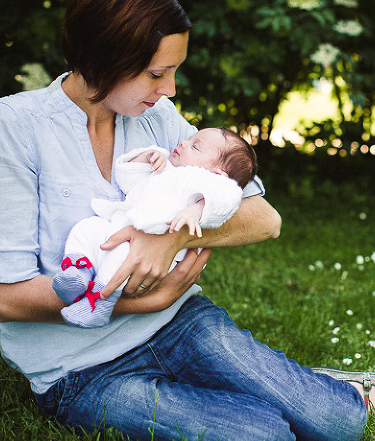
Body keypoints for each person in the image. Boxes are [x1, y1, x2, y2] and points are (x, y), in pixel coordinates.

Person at [0, 0, 375, 441]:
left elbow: (264, 217)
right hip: (83, 371)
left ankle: (312, 388)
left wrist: (169, 240)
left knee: (340, 425)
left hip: (178, 323)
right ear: (103, 55)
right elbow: (6, 297)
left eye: (173, 72)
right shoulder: (15, 126)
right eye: (157, 74)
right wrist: (141, 302)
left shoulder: (155, 118)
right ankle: (276, 390)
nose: (172, 90)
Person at [53, 127, 256, 328]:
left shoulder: (211, 184)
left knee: (121, 258)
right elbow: (127, 179)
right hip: (120, 228)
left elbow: (225, 201)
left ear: (218, 174)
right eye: (188, 139)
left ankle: (100, 302)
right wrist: (146, 158)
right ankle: (78, 272)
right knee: (88, 228)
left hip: (155, 255)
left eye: (195, 146)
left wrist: (197, 210)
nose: (183, 143)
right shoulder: (167, 169)